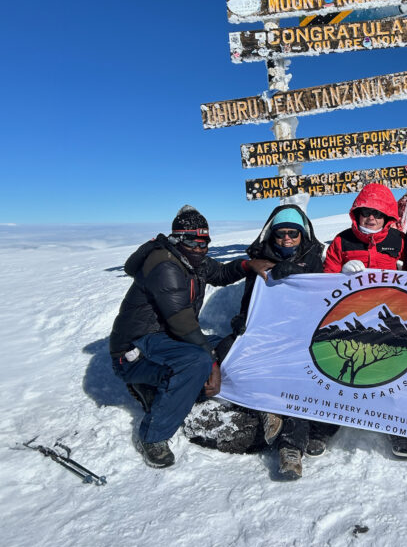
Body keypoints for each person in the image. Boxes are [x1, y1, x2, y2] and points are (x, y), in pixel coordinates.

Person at [110, 205, 274, 468]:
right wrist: (211, 365)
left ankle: (157, 386)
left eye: (204, 242)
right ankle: (153, 437)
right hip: (135, 349)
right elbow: (181, 322)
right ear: (177, 239)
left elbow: (219, 274)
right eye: (192, 241)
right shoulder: (165, 264)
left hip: (165, 341)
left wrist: (246, 264)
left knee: (227, 344)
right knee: (197, 361)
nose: (199, 248)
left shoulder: (192, 260)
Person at [216, 205, 331, 480]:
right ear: (272, 234)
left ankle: (291, 448)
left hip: (299, 334)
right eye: (281, 233)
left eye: (293, 233)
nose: (287, 238)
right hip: (263, 331)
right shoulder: (259, 259)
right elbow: (251, 299)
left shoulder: (316, 259)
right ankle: (266, 408)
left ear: (303, 235)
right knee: (225, 356)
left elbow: (322, 300)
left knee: (295, 377)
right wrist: (242, 321)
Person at [324, 183, 407, 458]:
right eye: (365, 212)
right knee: (336, 370)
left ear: (387, 216)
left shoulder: (399, 242)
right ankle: (323, 426)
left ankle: (396, 425)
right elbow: (324, 281)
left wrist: (404, 272)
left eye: (377, 213)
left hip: (387, 318)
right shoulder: (341, 240)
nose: (371, 217)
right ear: (356, 214)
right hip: (347, 316)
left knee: (392, 370)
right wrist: (341, 275)